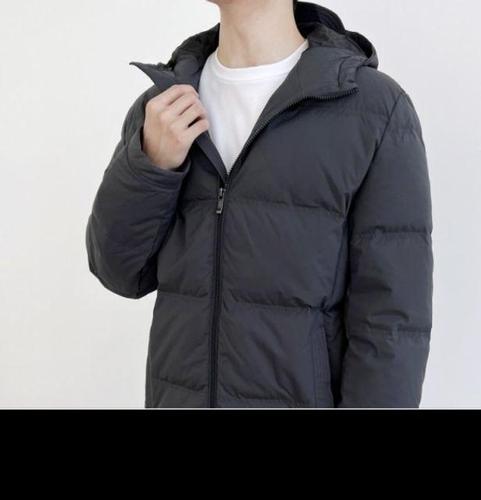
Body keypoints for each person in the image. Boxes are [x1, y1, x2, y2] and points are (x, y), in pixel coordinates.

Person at [86, 0, 433, 408]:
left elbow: (390, 325)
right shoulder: (166, 105)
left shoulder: (372, 109)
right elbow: (118, 271)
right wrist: (152, 166)